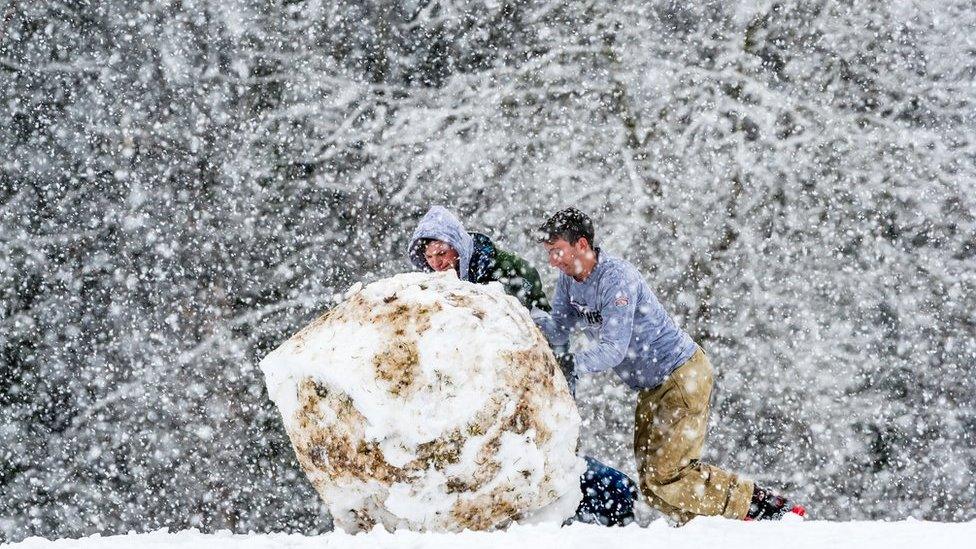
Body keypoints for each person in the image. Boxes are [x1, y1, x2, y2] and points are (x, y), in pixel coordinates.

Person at [533, 207, 805, 524]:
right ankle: (716, 529)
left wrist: (569, 364)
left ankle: (765, 509)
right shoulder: (568, 283)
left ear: (581, 245)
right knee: (653, 486)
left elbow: (612, 350)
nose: (553, 260)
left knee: (668, 474)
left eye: (557, 251)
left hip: (681, 374)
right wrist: (517, 311)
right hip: (650, 388)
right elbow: (558, 329)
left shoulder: (617, 280)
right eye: (549, 253)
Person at [408, 205, 638, 526]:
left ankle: (613, 499)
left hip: (535, 379)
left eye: (444, 252)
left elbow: (539, 335)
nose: (438, 263)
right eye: (430, 258)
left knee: (547, 459)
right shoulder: (436, 288)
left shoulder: (506, 271)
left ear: (458, 245)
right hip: (483, 391)